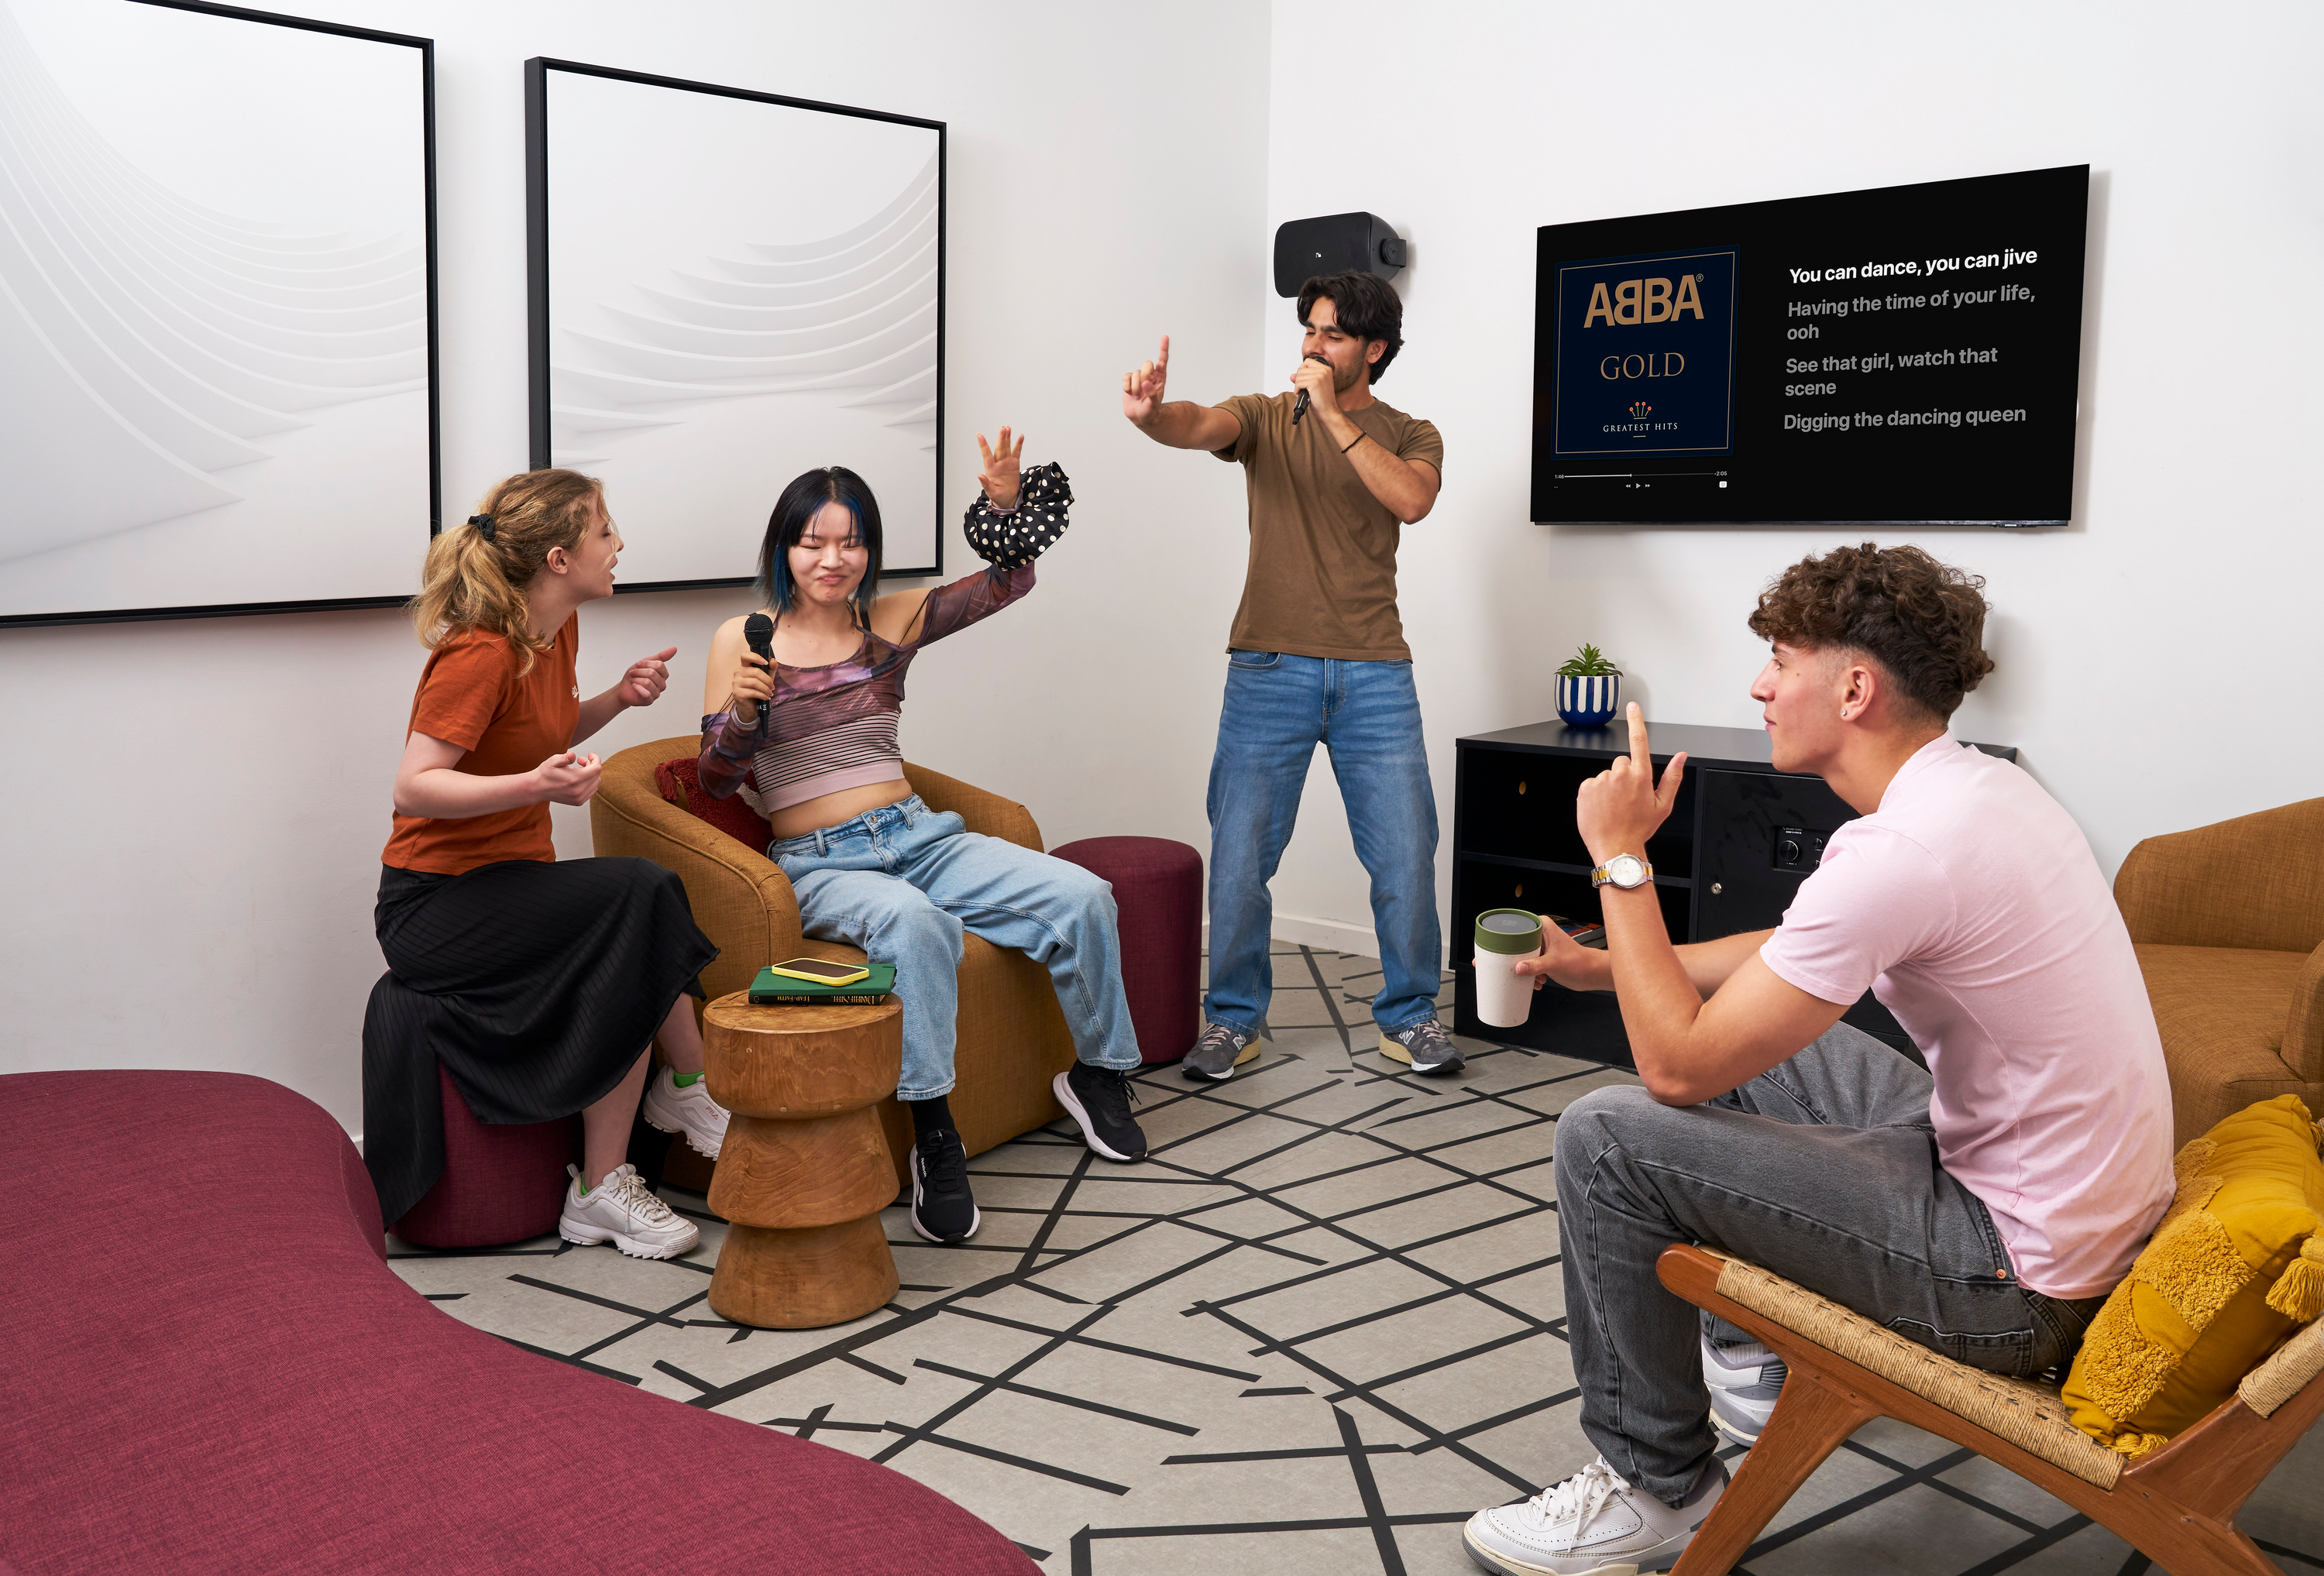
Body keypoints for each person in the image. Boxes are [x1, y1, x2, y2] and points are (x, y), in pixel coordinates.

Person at [1459, 544, 2174, 1576]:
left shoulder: (1904, 850)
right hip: (2048, 1205)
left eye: (1781, 658)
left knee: (1605, 1136)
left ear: (1854, 687)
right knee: (1792, 1038)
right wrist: (1600, 962)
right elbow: (1783, 955)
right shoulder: (1969, 797)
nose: (1759, 683)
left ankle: (1654, 1485)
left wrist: (1621, 863)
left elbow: (1675, 1069)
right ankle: (1756, 1360)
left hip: (2013, 1279)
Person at [694, 429, 1150, 1247]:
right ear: (785, 548)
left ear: (869, 549)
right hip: (821, 862)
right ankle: (936, 1135)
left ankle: (1101, 1072)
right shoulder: (743, 637)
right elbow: (718, 781)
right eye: (812, 542)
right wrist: (745, 714)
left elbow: (1009, 583)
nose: (832, 559)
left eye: (851, 541)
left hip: (920, 834)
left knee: (1083, 893)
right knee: (914, 923)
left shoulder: (892, 620)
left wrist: (1006, 505)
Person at [363, 469, 727, 1262]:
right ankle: (694, 1087)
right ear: (560, 558)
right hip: (433, 907)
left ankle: (602, 1190)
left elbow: (540, 727)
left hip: (507, 882)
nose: (619, 542)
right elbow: (414, 785)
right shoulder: (479, 652)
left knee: (630, 923)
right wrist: (535, 787)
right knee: (639, 888)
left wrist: (616, 700)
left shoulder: (551, 631)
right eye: (605, 530)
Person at [1120, 271, 1457, 1078]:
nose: (1311, 344)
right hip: (1267, 667)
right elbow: (1198, 423)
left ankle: (1409, 1016)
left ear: (1374, 350)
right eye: (1308, 329)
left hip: (1376, 672)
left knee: (1407, 856)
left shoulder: (1414, 433)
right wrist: (1150, 416)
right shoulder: (1267, 418)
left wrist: (1337, 416)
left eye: (1332, 334)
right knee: (1240, 856)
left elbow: (1411, 501)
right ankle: (1235, 1019)